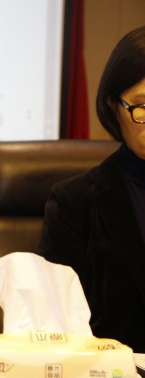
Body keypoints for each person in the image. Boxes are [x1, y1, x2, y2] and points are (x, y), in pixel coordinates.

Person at [38, 26, 145, 352]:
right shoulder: (75, 203)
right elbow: (56, 327)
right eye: (141, 107)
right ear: (114, 105)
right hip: (113, 377)